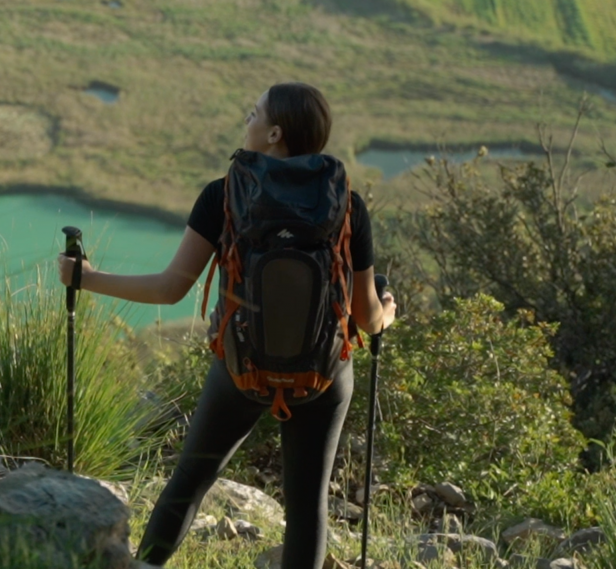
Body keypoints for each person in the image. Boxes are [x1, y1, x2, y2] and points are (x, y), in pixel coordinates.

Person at [57, 83, 397, 569]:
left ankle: (147, 566)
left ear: (274, 133)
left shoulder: (223, 195)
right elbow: (366, 319)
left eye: (253, 114)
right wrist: (387, 308)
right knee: (307, 506)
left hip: (242, 371)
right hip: (321, 379)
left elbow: (170, 288)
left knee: (189, 484)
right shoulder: (348, 204)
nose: (248, 120)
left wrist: (87, 279)